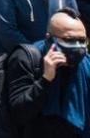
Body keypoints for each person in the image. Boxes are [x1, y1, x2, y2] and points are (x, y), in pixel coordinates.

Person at [6, 8, 90, 137]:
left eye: (82, 40)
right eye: (70, 40)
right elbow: (18, 112)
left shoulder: (86, 64)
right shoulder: (27, 59)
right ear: (49, 38)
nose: (78, 46)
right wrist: (45, 80)